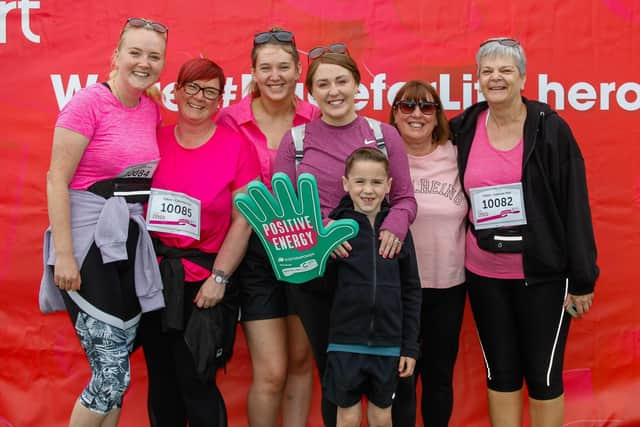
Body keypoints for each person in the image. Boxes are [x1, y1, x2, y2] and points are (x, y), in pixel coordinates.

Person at [450, 38, 599, 427]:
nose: (495, 78)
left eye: (505, 70)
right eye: (487, 71)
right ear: (477, 79)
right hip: (483, 275)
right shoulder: (463, 128)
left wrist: (582, 280)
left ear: (523, 78)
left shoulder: (550, 129)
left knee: (543, 375)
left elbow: (575, 205)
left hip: (543, 275)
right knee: (499, 372)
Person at [275, 43, 417, 426]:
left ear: (357, 85)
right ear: (311, 92)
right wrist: (321, 238)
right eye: (323, 84)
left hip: (374, 268)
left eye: (342, 81)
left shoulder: (384, 135)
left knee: (388, 379)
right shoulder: (296, 141)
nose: (333, 90)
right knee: (334, 375)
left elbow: (404, 198)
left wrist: (394, 225)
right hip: (320, 279)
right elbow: (284, 213)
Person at [39, 17, 168, 427]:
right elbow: (56, 178)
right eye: (135, 52)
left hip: (127, 247)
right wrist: (64, 256)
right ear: (115, 56)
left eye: (154, 56)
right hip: (86, 245)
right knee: (111, 375)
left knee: (117, 377)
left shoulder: (150, 109)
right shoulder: (87, 103)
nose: (143, 63)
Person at [138, 57, 260, 427]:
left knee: (197, 380)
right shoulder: (153, 140)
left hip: (203, 285)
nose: (199, 97)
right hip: (152, 280)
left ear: (220, 101)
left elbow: (244, 220)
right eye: (191, 87)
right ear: (176, 91)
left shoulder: (237, 148)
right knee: (161, 381)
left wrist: (219, 278)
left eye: (210, 91)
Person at [215, 28, 320, 427]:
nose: (275, 75)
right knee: (272, 370)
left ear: (298, 70)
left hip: (307, 251)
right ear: (253, 74)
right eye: (265, 68)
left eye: (283, 67)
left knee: (299, 360)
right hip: (254, 254)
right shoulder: (229, 121)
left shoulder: (317, 119)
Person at [323, 147, 421, 427]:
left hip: (388, 345)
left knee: (381, 416)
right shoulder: (336, 229)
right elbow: (320, 287)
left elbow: (411, 291)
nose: (368, 190)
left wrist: (409, 347)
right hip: (344, 343)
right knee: (348, 416)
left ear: (389, 185)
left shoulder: (398, 230)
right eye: (360, 181)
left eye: (377, 182)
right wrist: (325, 253)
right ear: (345, 184)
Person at [390, 80, 468, 427]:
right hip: (396, 288)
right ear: (394, 114)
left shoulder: (456, 155)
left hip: (448, 286)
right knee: (399, 380)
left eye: (426, 107)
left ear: (438, 116)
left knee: (438, 378)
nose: (417, 114)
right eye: (407, 106)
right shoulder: (383, 157)